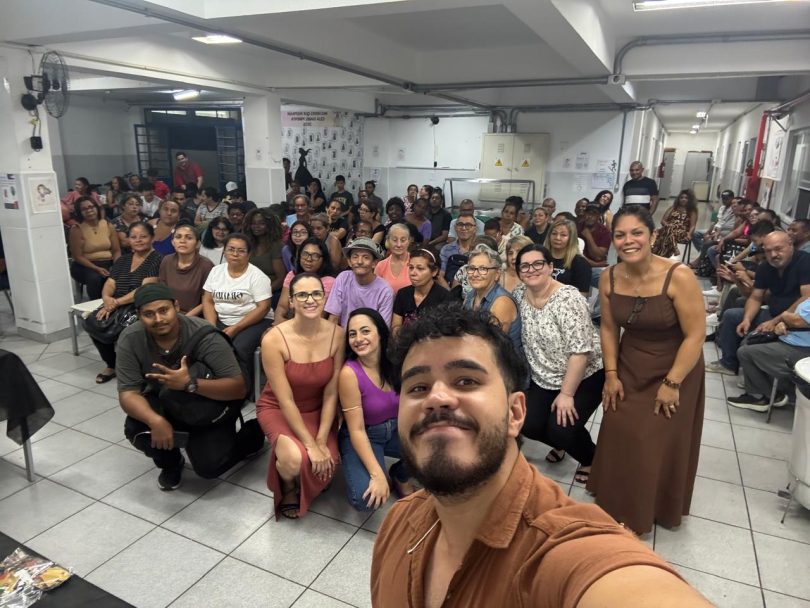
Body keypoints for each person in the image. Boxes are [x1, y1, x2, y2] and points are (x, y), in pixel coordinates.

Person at [371, 303, 710, 608]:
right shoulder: (398, 523)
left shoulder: (567, 551)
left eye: (466, 381)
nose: (437, 398)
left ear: (516, 413)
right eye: (418, 387)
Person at [588, 206, 705, 534]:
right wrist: (611, 375)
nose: (628, 241)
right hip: (630, 363)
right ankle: (614, 497)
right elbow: (608, 328)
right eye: (620, 235)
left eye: (636, 233)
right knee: (619, 426)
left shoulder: (678, 275)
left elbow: (696, 335)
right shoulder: (609, 276)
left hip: (676, 365)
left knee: (650, 437)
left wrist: (672, 382)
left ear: (652, 236)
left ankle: (644, 509)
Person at [117, 283, 264, 490]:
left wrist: (189, 384)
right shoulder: (130, 339)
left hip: (209, 404)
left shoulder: (205, 335)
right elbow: (128, 393)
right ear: (139, 316)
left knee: (210, 468)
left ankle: (251, 435)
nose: (158, 319)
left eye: (164, 310)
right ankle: (170, 463)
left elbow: (238, 388)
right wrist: (155, 420)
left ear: (176, 307)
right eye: (149, 314)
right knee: (137, 429)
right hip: (166, 400)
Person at [512, 244, 604, 483]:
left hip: (584, 374)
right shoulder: (519, 294)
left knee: (561, 428)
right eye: (525, 266)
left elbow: (580, 352)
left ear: (551, 267)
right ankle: (563, 443)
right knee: (528, 424)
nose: (531, 269)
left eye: (538, 263)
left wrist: (566, 394)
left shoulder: (568, 299)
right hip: (544, 376)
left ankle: (591, 458)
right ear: (519, 272)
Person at [256, 273, 345, 519]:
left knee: (328, 462)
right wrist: (310, 444)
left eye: (316, 293)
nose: (310, 300)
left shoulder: (338, 335)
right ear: (292, 301)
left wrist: (321, 438)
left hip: (318, 409)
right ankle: (288, 486)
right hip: (278, 407)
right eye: (302, 295)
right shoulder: (273, 339)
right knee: (296, 460)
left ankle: (302, 458)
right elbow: (285, 399)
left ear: (324, 298)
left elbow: (331, 392)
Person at [339, 308, 414, 511]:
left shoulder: (396, 361)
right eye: (352, 334)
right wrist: (377, 474)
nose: (358, 339)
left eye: (365, 331)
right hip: (365, 434)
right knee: (366, 499)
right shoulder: (349, 374)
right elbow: (356, 430)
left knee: (435, 445)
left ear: (380, 333)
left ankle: (400, 474)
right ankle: (371, 467)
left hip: (397, 429)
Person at [707, 231, 810, 375]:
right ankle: (729, 363)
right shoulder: (766, 267)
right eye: (768, 251)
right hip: (772, 312)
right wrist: (747, 319)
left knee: (749, 342)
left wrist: (775, 321)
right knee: (732, 316)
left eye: (778, 249)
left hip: (795, 320)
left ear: (790, 245)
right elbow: (756, 297)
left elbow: (806, 297)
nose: (773, 254)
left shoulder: (805, 262)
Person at [89, 221, 162, 384]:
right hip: (116, 303)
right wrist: (107, 299)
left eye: (143, 236)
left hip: (141, 304)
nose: (138, 240)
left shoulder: (157, 259)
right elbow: (110, 283)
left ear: (152, 238)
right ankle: (112, 365)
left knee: (128, 331)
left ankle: (134, 369)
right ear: (128, 240)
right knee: (95, 322)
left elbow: (144, 289)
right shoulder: (123, 260)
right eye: (133, 237)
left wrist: (115, 303)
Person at [202, 233, 273, 380]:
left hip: (254, 321)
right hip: (222, 319)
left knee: (239, 347)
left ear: (249, 254)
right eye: (231, 249)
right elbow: (208, 300)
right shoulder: (216, 271)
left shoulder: (257, 277)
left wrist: (236, 328)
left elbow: (263, 307)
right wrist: (211, 326)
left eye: (241, 251)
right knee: (207, 342)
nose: (235, 254)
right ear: (224, 251)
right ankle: (215, 382)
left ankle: (243, 386)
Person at [728, 297, 810, 411]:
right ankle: (764, 390)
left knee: (745, 353)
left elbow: (798, 321)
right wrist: (783, 322)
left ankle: (760, 396)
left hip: (801, 349)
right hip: (791, 338)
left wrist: (784, 316)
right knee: (748, 341)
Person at [463, 244, 521, 353]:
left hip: (503, 360)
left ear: (497, 274)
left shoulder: (502, 302)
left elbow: (491, 345)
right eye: (472, 268)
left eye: (483, 269)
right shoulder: (471, 295)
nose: (475, 274)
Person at [325, 237, 394, 326]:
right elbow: (333, 318)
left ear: (374, 263)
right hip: (343, 333)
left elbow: (382, 328)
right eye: (355, 257)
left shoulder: (385, 291)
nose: (360, 261)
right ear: (349, 262)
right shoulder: (343, 278)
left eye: (366, 257)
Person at [69, 196, 121, 299]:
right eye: (84, 209)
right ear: (80, 213)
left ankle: (117, 304)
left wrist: (117, 265)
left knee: (121, 274)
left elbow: (116, 250)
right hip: (86, 265)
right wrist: (96, 268)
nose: (89, 211)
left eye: (91, 207)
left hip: (108, 262)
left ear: (97, 208)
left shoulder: (108, 225)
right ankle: (97, 305)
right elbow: (77, 256)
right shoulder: (77, 229)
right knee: (95, 278)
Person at [274, 237, 335, 324]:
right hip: (287, 323)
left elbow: (318, 316)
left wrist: (288, 327)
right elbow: (282, 307)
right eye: (305, 254)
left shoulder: (329, 282)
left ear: (323, 259)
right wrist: (279, 321)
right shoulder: (292, 275)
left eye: (315, 256)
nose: (309, 259)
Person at [158, 223, 214, 317]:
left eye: (189, 238)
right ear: (173, 242)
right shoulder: (167, 260)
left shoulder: (206, 265)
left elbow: (207, 301)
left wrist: (184, 318)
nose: (182, 241)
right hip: (169, 313)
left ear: (197, 243)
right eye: (178, 237)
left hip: (194, 317)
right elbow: (162, 292)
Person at [392, 247, 450, 334]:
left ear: (434, 271)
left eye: (420, 268)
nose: (413, 273)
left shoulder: (445, 298)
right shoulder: (403, 294)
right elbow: (396, 327)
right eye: (411, 267)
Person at [243, 208, 286, 302]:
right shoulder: (248, 244)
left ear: (270, 225)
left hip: (271, 293)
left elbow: (281, 279)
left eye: (261, 223)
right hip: (248, 291)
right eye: (253, 223)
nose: (256, 226)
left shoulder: (277, 246)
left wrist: (261, 294)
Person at [546, 218, 591, 297]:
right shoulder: (540, 257)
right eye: (554, 233)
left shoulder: (581, 263)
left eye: (563, 235)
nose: (557, 238)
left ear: (571, 238)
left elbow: (583, 295)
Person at [652, 189, 698, 258]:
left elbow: (692, 226)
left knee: (665, 236)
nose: (683, 199)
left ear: (690, 200)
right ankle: (673, 249)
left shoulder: (692, 211)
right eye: (681, 197)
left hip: (682, 232)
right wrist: (668, 226)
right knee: (668, 231)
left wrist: (689, 234)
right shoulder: (673, 208)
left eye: (686, 198)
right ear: (678, 199)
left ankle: (657, 256)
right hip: (669, 229)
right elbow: (663, 221)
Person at [440, 210, 477, 285]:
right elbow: (440, 276)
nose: (464, 228)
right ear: (455, 228)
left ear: (475, 229)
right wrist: (450, 292)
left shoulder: (480, 250)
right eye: (460, 224)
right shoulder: (446, 249)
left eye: (468, 225)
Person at [375, 223, 412, 294]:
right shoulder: (381, 265)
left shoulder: (415, 263)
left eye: (403, 240)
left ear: (409, 241)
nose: (399, 244)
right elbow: (376, 292)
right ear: (388, 240)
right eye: (394, 240)